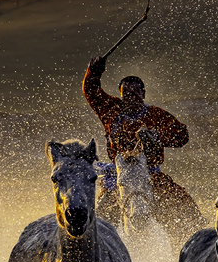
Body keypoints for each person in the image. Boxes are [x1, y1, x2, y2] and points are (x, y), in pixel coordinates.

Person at [81, 54, 203, 230]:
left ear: (143, 94)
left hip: (151, 175)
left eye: (135, 93)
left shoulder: (156, 114)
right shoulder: (111, 110)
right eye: (126, 94)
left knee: (183, 206)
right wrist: (93, 71)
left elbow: (182, 135)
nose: (130, 98)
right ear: (121, 95)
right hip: (118, 175)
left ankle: (196, 234)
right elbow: (91, 92)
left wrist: (158, 137)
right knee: (100, 218)